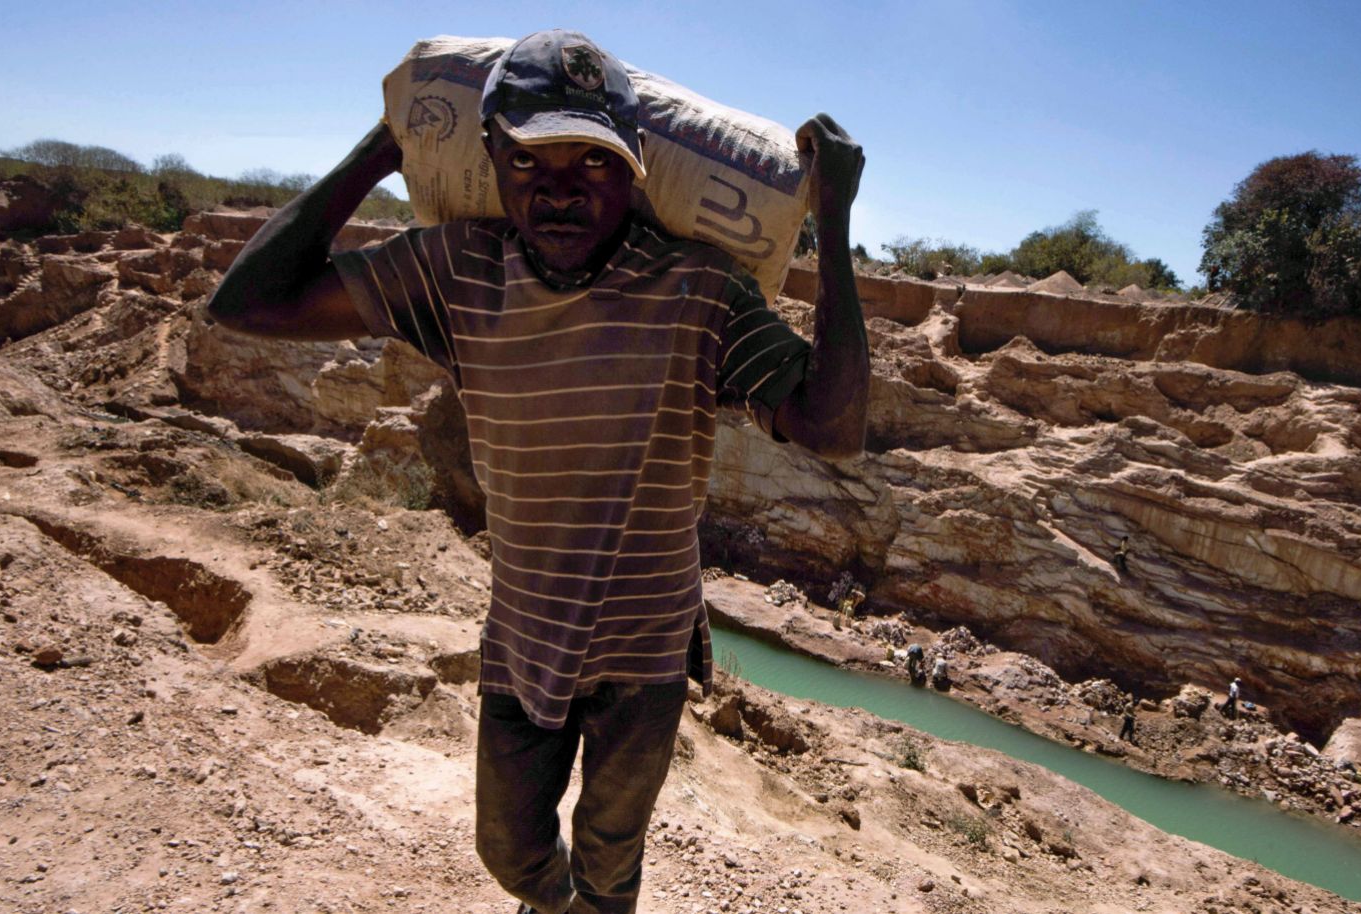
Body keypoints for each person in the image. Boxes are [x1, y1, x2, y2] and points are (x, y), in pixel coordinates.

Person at [207, 29, 868, 914]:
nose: (558, 191)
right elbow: (247, 302)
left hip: (646, 647)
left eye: (591, 163)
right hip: (522, 634)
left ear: (633, 168)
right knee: (509, 851)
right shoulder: (457, 270)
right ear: (489, 154)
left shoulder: (700, 292)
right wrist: (385, 146)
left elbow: (831, 427)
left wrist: (834, 223)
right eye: (527, 160)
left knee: (610, 859)